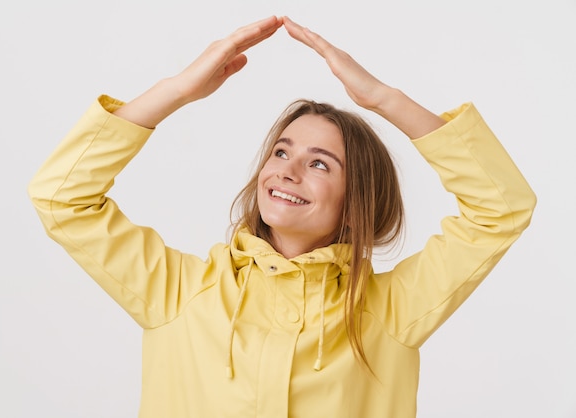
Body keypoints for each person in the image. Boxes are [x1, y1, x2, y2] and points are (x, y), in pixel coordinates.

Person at [28, 15, 536, 418]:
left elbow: (502, 207)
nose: (288, 171)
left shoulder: (390, 312)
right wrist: (177, 90)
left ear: (355, 198)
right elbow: (61, 196)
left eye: (320, 163)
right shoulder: (181, 292)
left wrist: (384, 99)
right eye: (281, 152)